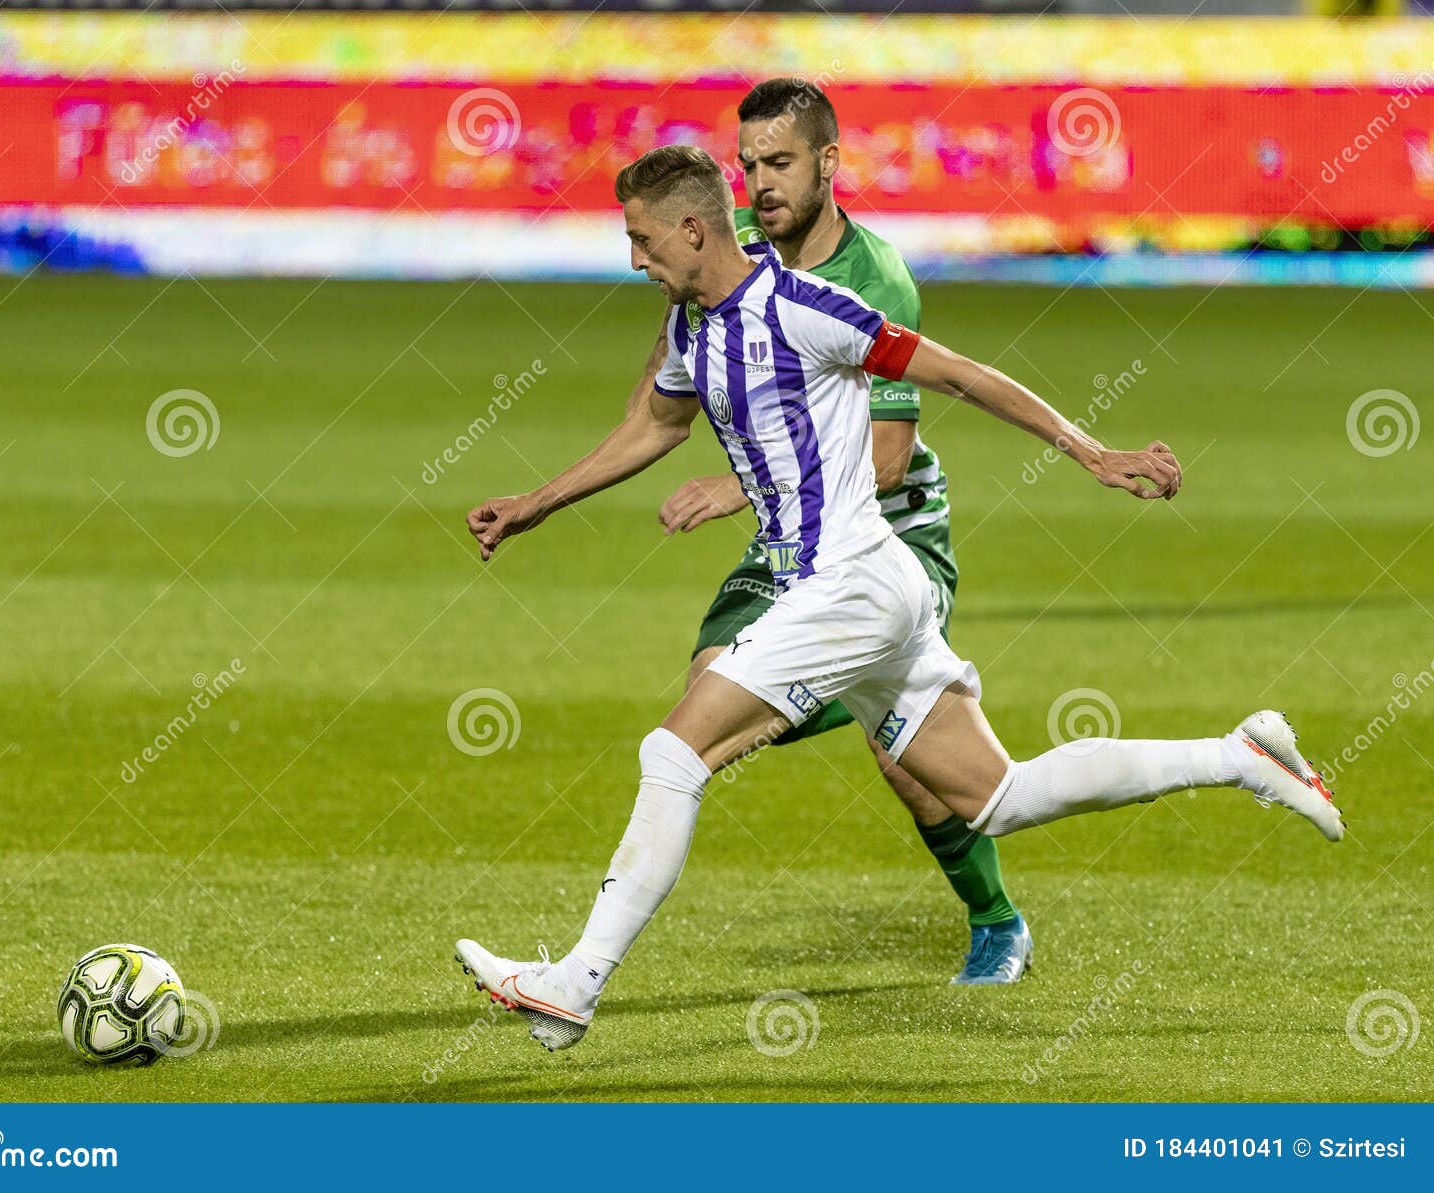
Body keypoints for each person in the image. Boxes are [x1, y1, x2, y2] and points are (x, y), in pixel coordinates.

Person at [458, 144, 1342, 1053]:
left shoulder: (806, 307)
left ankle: (574, 985)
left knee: (673, 751)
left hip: (849, 583)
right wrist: (535, 503)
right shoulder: (691, 326)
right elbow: (656, 421)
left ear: (692, 229)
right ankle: (1240, 756)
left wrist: (1091, 452)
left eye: (643, 240)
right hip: (867, 591)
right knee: (999, 797)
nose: (634, 260)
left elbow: (956, 374)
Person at [641, 78, 1028, 984]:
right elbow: (663, 399)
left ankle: (997, 919)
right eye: (747, 167)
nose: (760, 184)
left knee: (895, 753)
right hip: (793, 537)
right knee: (707, 690)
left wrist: (736, 489)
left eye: (778, 164)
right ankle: (589, 959)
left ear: (827, 164)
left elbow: (887, 459)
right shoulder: (726, 267)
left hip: (890, 536)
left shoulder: (871, 277)